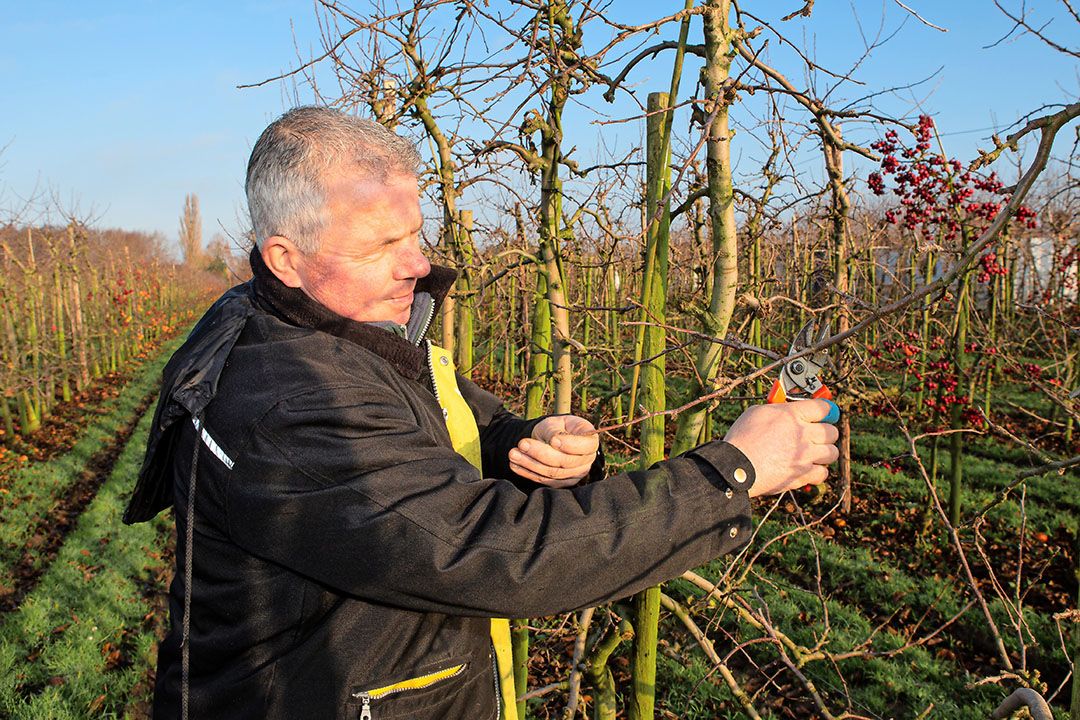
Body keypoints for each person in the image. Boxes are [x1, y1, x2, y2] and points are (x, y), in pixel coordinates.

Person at [124, 105, 839, 720]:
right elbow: (496, 553)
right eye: (382, 245)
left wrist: (523, 445)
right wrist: (735, 471)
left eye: (414, 234)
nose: (418, 264)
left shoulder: (350, 328)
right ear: (285, 257)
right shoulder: (286, 399)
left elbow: (443, 422)